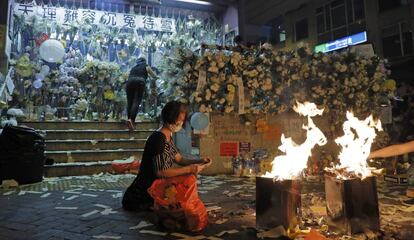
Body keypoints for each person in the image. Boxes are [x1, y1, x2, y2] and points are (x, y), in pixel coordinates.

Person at [122, 100, 212, 211]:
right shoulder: (158, 139)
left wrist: (199, 161)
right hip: (146, 192)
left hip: (159, 184)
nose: (181, 123)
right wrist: (190, 169)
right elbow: (160, 171)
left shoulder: (168, 136)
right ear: (170, 118)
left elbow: (179, 159)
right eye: (179, 120)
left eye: (182, 121)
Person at [126, 57, 157, 131]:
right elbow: (154, 76)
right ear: (144, 61)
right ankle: (131, 120)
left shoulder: (133, 68)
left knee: (130, 102)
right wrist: (155, 77)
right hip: (140, 82)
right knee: (136, 101)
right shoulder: (146, 66)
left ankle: (128, 119)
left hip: (129, 82)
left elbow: (127, 75)